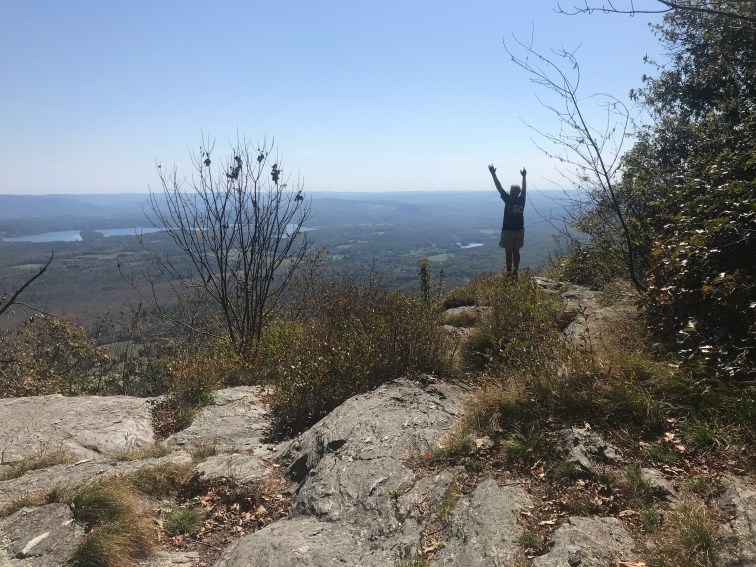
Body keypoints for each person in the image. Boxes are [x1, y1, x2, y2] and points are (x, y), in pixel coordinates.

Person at [489, 165, 526, 278]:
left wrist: (493, 174)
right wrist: (524, 177)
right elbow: (524, 189)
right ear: (518, 192)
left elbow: (499, 187)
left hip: (508, 231)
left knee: (508, 252)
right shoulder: (522, 200)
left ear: (511, 192)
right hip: (519, 230)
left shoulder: (508, 199)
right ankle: (516, 271)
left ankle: (509, 273)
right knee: (516, 251)